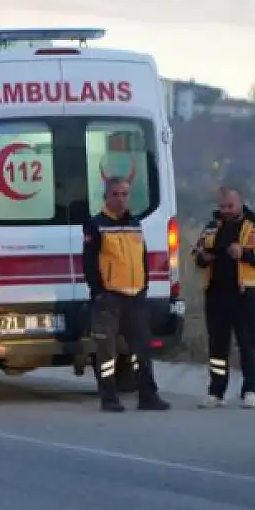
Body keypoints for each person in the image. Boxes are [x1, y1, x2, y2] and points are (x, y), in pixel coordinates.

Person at [82, 176, 169, 413]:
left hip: (135, 296)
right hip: (109, 296)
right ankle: (109, 397)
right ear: (106, 197)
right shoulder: (95, 224)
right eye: (116, 194)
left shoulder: (135, 223)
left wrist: (144, 287)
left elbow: (141, 258)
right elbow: (89, 263)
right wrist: (99, 292)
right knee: (107, 351)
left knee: (142, 349)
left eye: (124, 194)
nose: (121, 199)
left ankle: (148, 396)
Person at [191, 186, 255, 408]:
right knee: (217, 346)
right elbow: (196, 251)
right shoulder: (212, 226)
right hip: (216, 292)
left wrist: (245, 254)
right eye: (222, 206)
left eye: (230, 206)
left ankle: (250, 389)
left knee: (248, 344)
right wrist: (203, 258)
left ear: (240, 203)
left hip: (245, 293)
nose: (226, 210)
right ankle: (216, 391)